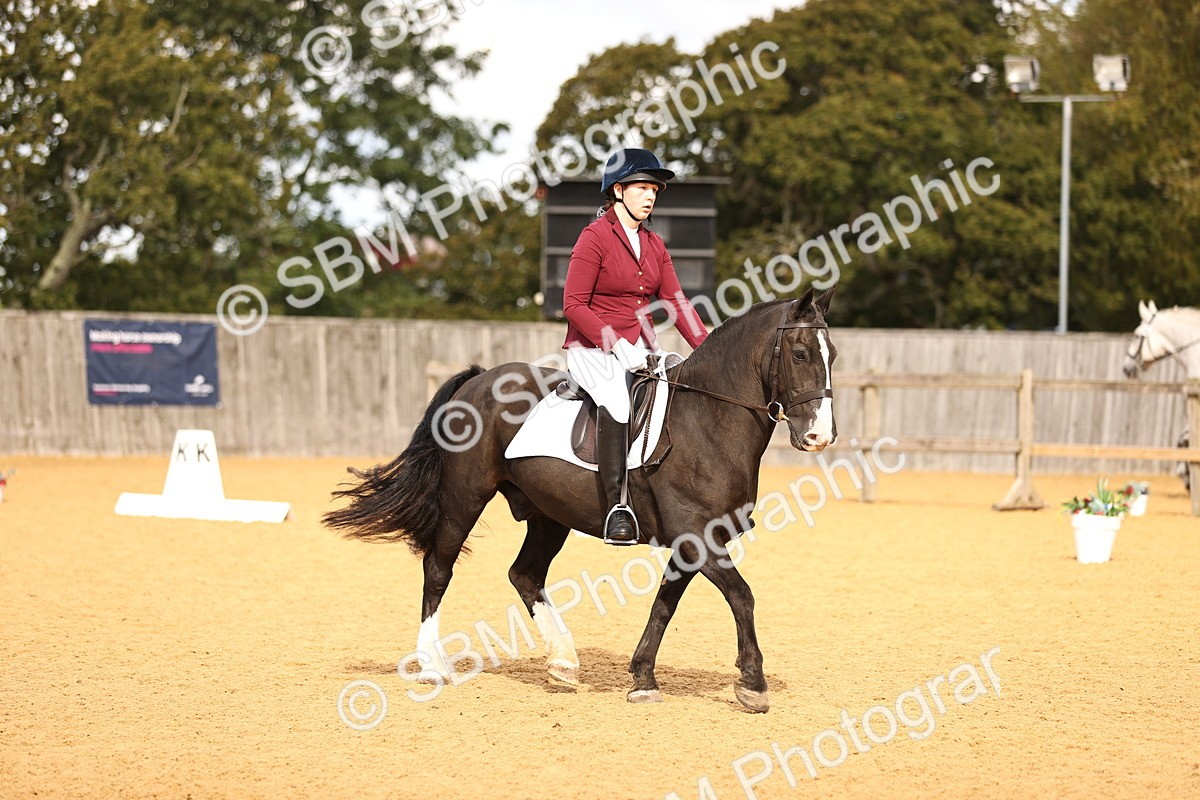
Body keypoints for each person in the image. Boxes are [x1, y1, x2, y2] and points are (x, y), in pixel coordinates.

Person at [562, 148, 710, 545]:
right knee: (617, 400)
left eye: (654, 190)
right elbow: (573, 304)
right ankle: (617, 508)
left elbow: (677, 303)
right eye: (642, 187)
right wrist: (614, 343)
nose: (650, 196)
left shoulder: (655, 244)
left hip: (642, 349)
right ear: (618, 190)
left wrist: (709, 348)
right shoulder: (594, 237)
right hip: (592, 350)